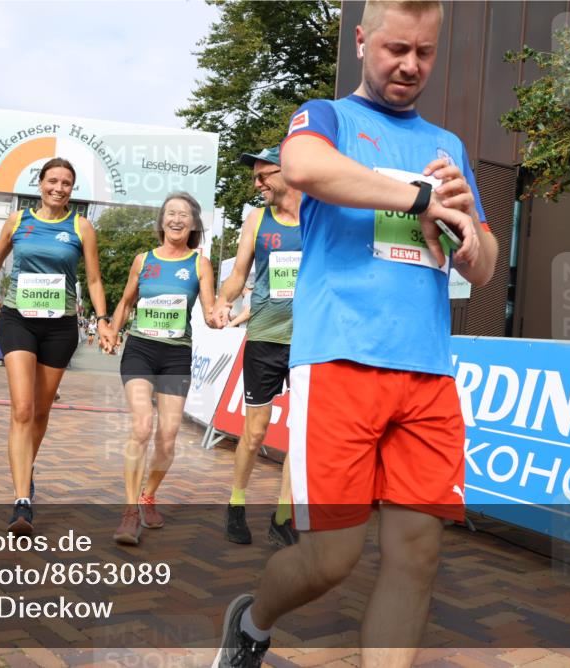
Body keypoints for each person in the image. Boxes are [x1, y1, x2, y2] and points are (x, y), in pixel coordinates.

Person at [213, 2, 498, 666]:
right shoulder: (329, 117)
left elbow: (483, 266)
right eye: (397, 48)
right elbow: (307, 168)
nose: (410, 65)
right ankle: (253, 621)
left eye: (425, 53)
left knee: (417, 554)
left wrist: (461, 225)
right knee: (331, 559)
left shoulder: (447, 146)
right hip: (339, 363)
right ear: (364, 40)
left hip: (428, 373)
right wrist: (422, 199)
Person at [0, 157, 111, 535]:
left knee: (40, 412)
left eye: (66, 183)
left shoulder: (81, 226)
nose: (59, 188)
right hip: (17, 319)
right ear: (39, 184)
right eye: (52, 181)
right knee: (22, 408)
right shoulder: (19, 221)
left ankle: (27, 467)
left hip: (59, 327)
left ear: (73, 190)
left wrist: (103, 321)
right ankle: (22, 500)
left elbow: (92, 279)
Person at [108, 192, 216, 545]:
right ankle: (128, 513)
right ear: (162, 220)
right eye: (170, 213)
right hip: (140, 349)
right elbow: (126, 303)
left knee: (167, 437)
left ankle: (148, 495)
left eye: (183, 214)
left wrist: (222, 314)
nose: (176, 219)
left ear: (194, 223)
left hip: (176, 355)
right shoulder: (143, 260)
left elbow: (211, 312)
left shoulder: (200, 264)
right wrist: (110, 328)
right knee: (143, 424)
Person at [210, 146, 302, 548]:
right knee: (254, 432)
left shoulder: (319, 214)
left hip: (310, 341)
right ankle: (236, 502)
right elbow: (239, 274)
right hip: (265, 335)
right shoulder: (256, 218)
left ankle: (283, 516)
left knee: (301, 436)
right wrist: (222, 299)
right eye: (255, 177)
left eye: (265, 174)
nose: (257, 182)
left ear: (291, 172)